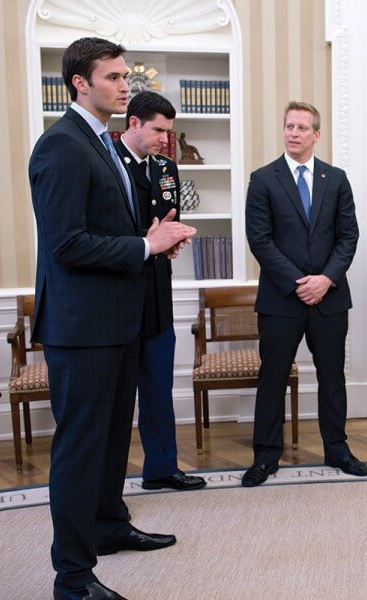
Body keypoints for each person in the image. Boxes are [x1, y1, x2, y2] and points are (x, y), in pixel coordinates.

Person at [29, 37, 196, 600]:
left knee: (107, 442)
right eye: (114, 77)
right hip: (81, 330)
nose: (126, 86)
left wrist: (151, 242)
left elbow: (113, 231)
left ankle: (107, 527)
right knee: (80, 450)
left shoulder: (100, 143)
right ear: (80, 82)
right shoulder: (61, 146)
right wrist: (144, 249)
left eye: (126, 77)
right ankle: (72, 579)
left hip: (117, 321)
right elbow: (67, 244)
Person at [243, 100, 367, 487]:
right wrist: (300, 282)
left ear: (316, 134)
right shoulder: (263, 179)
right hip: (281, 299)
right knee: (273, 377)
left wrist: (325, 280)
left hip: (329, 299)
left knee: (332, 378)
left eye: (302, 127)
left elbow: (349, 236)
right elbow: (259, 240)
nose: (293, 133)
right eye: (289, 126)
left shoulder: (337, 178)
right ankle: (266, 456)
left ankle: (337, 449)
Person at [115, 92, 206, 492]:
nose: (166, 140)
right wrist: (147, 241)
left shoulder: (167, 167)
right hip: (117, 299)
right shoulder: (108, 163)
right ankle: (108, 484)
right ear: (134, 123)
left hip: (157, 295)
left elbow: (168, 218)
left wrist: (172, 241)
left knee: (158, 390)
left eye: (170, 132)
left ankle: (161, 468)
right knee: (116, 401)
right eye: (159, 130)